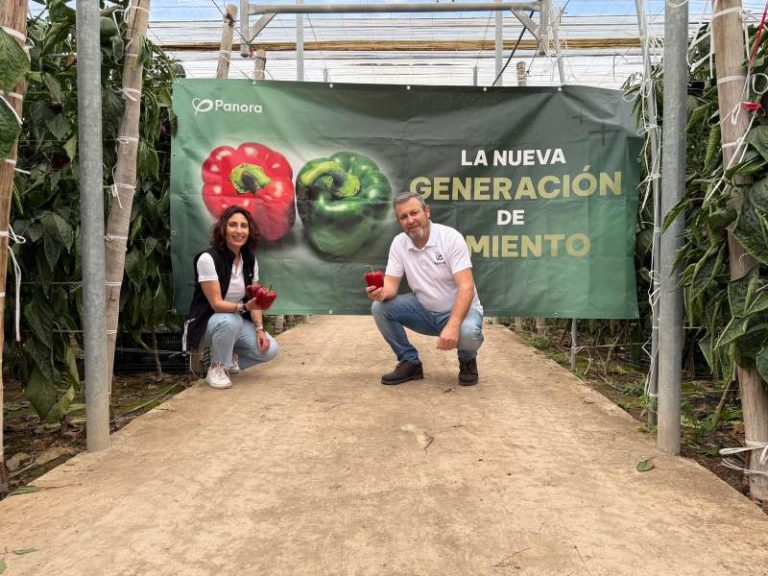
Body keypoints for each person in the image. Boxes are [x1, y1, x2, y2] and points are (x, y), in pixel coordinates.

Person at [367, 191, 484, 386]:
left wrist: (453, 325)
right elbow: (391, 285)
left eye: (414, 213)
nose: (410, 220)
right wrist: (380, 292)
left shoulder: (450, 238)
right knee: (380, 308)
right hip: (425, 311)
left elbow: (466, 287)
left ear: (427, 212)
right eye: (403, 217)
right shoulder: (399, 243)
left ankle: (467, 360)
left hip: (461, 312)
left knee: (469, 332)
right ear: (399, 221)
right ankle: (410, 363)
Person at [185, 206, 279, 389]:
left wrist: (259, 328)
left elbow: (256, 300)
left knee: (270, 350)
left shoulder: (250, 260)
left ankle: (230, 358)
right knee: (230, 320)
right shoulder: (207, 258)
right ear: (223, 229)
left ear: (249, 231)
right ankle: (216, 367)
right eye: (233, 225)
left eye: (244, 226)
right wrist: (244, 307)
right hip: (207, 323)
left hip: (233, 321)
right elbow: (217, 304)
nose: (239, 231)